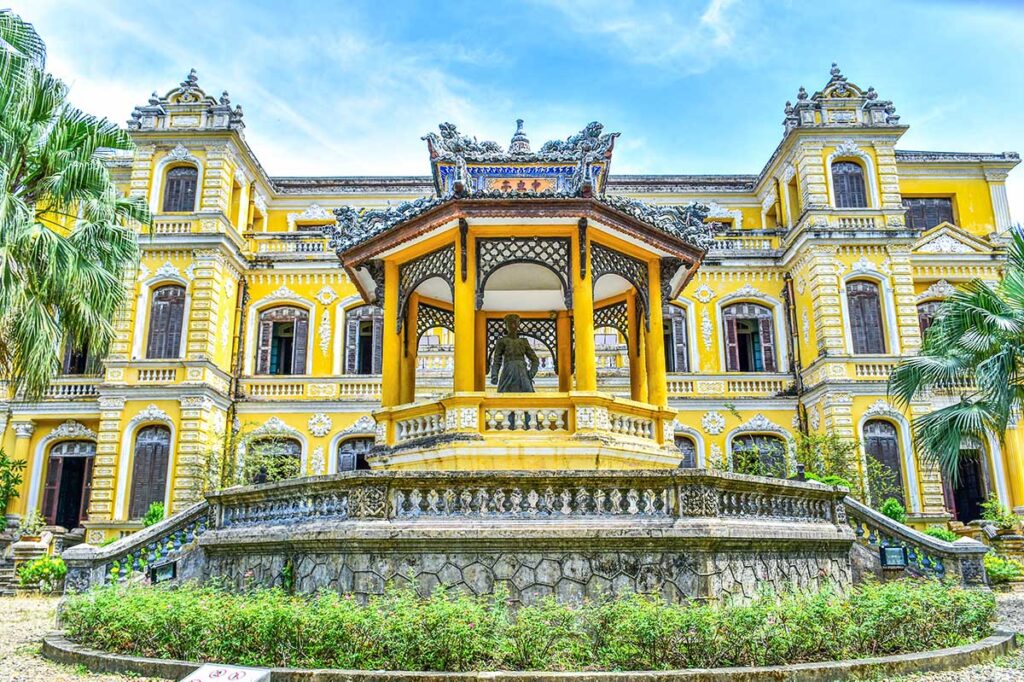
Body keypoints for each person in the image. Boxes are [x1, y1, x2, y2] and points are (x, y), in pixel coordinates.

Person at [490, 314, 539, 392]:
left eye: (515, 323)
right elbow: (497, 361)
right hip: (507, 373)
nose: (513, 326)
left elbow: (535, 360)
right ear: (506, 325)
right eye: (510, 323)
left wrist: (532, 372)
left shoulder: (523, 341)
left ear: (518, 324)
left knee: (528, 396)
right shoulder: (502, 341)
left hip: (523, 374)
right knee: (504, 397)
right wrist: (494, 375)